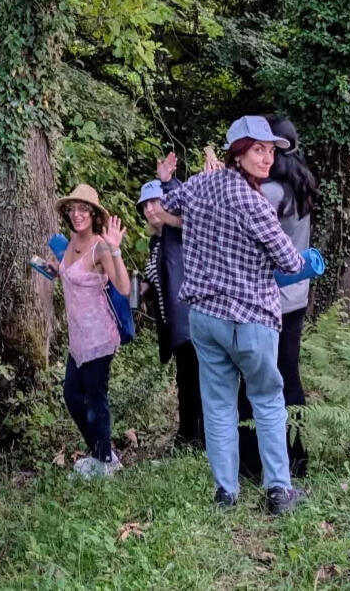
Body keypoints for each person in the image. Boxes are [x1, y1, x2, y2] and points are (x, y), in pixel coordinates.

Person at [159, 116, 306, 514]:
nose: (267, 158)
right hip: (250, 319)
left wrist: (179, 182)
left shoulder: (199, 185)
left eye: (270, 151)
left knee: (219, 404)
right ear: (237, 153)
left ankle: (226, 493)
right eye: (258, 150)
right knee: (267, 400)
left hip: (205, 318)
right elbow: (290, 261)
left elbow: (166, 205)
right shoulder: (254, 203)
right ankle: (278, 491)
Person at [238, 115, 316, 480]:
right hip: (296, 295)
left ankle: (253, 462)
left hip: (267, 298)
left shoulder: (268, 193)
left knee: (256, 380)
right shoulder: (301, 185)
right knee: (289, 376)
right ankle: (297, 456)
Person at [46, 184, 130, 478]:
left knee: (95, 398)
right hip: (78, 338)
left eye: (84, 209)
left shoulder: (100, 246)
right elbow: (74, 274)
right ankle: (99, 452)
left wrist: (115, 250)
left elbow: (124, 287)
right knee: (72, 396)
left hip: (100, 336)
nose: (77, 214)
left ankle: (105, 460)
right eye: (73, 209)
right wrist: (56, 269)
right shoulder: (71, 242)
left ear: (94, 214)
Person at [138, 151, 204, 449]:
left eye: (156, 202)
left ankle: (195, 438)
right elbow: (159, 278)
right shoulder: (156, 241)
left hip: (191, 321)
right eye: (146, 205)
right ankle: (188, 436)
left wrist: (167, 181)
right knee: (186, 379)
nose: (151, 209)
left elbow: (185, 205)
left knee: (194, 381)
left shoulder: (180, 234)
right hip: (175, 325)